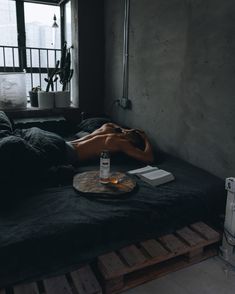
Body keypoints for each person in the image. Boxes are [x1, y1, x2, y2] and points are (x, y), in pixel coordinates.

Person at [66, 123, 154, 164]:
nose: (132, 130)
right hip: (68, 146)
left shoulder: (122, 143)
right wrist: (123, 129)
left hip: (70, 153)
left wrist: (145, 138)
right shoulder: (108, 129)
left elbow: (148, 158)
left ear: (134, 141)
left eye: (134, 133)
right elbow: (110, 123)